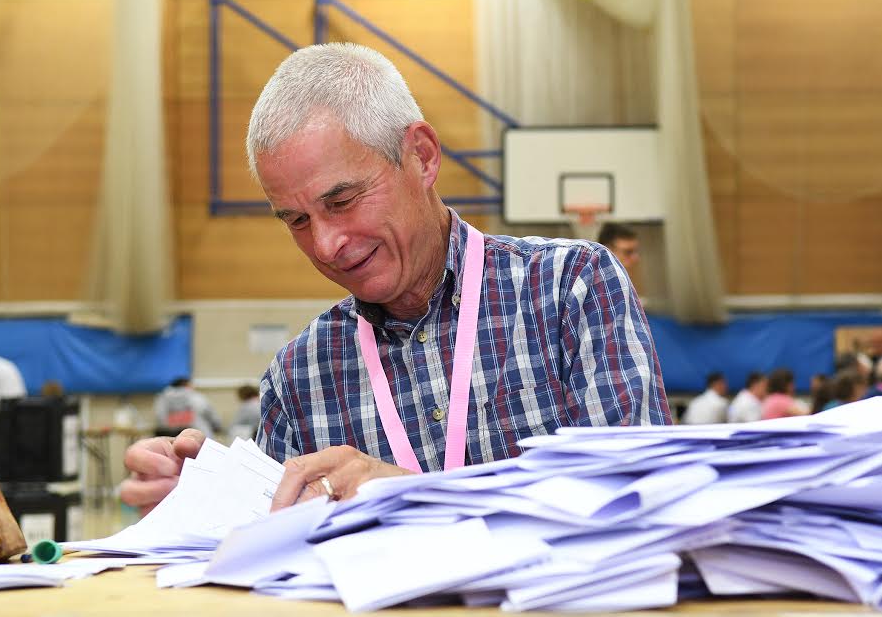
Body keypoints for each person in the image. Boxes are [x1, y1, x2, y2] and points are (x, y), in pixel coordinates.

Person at [121, 43, 670, 515]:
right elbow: (274, 563)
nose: (325, 244)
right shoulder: (298, 374)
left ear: (423, 157)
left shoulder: (570, 288)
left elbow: (639, 502)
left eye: (342, 200)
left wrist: (412, 496)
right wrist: (206, 510)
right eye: (296, 220)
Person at [153, 377, 222, 438]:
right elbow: (210, 414)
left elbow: (159, 417)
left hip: (171, 438)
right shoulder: (196, 397)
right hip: (197, 435)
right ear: (187, 385)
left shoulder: (162, 399)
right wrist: (217, 426)